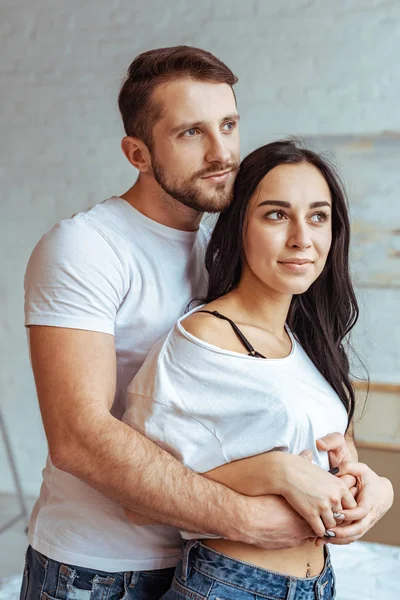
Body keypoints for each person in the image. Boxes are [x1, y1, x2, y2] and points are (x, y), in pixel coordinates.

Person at [21, 47, 341, 600]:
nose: (222, 153)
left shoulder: (230, 247)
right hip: (103, 568)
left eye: (229, 125)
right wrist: (250, 519)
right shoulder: (86, 247)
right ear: (137, 153)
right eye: (191, 133)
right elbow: (79, 438)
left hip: (209, 561)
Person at [122, 140, 394, 600]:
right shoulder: (202, 341)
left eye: (317, 216)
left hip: (317, 583)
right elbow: (140, 501)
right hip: (230, 584)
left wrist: (374, 485)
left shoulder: (306, 339)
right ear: (239, 226)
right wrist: (272, 471)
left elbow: (329, 451)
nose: (301, 239)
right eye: (275, 214)